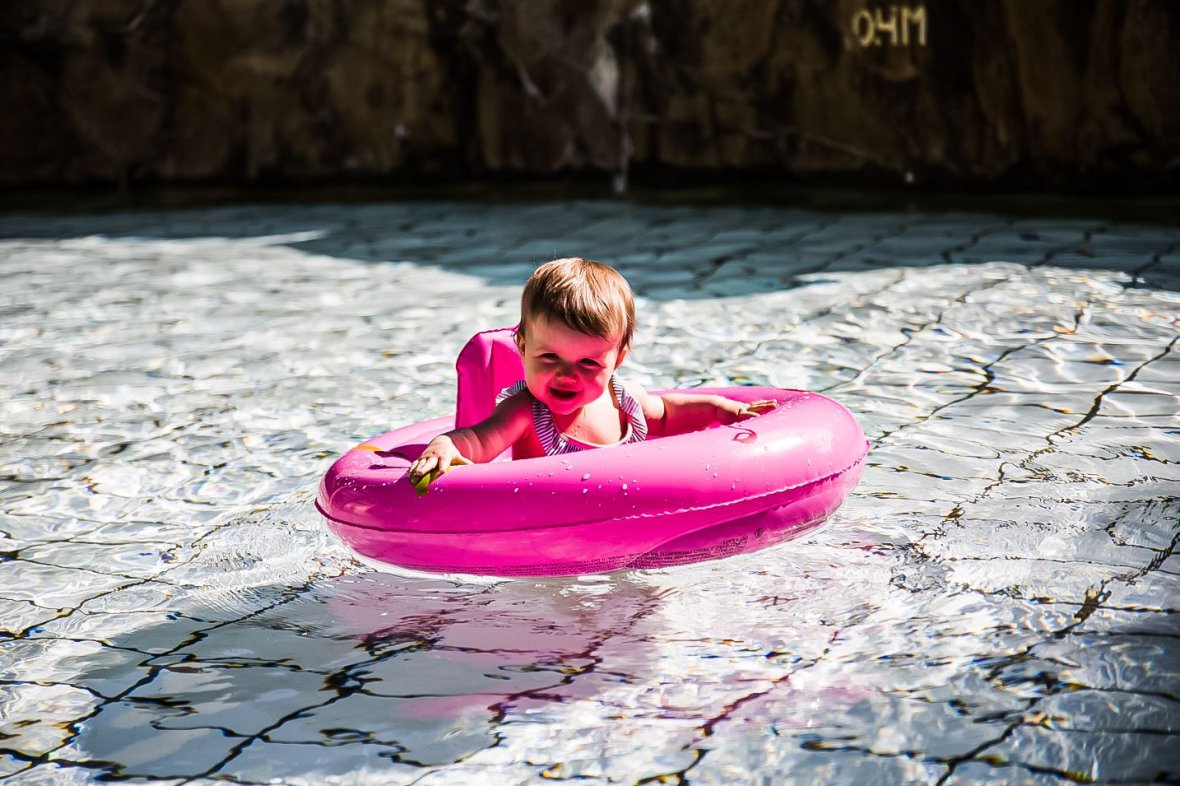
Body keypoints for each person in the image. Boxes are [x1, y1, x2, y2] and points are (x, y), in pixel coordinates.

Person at [407, 258, 776, 483]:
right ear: (522, 348)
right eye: (549, 358)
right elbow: (478, 441)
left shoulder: (624, 401)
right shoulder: (525, 412)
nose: (568, 375)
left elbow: (669, 415)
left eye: (588, 363)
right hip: (551, 537)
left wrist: (721, 409)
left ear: (617, 359)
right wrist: (444, 446)